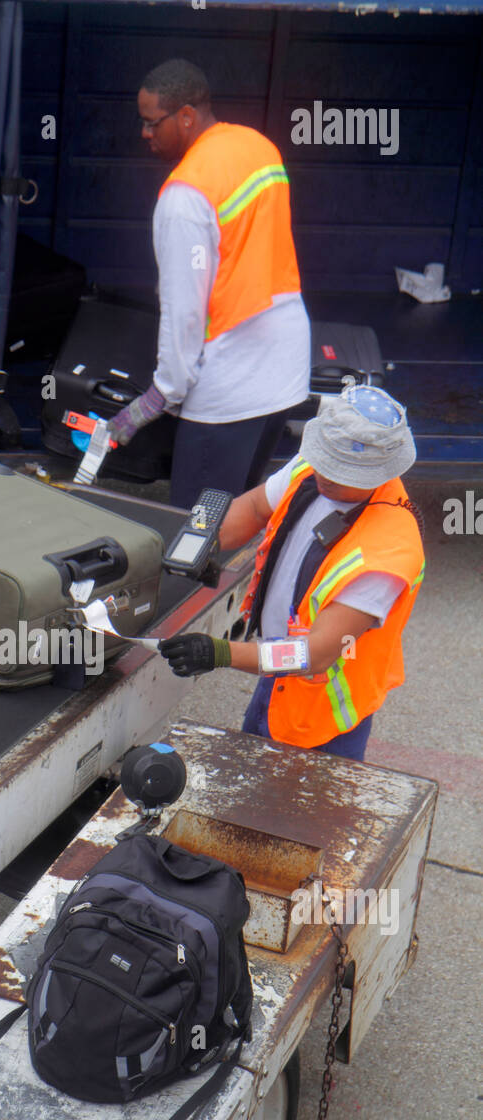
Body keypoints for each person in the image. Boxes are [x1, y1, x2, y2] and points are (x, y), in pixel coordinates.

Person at [158, 386, 425, 761]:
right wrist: (206, 546)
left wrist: (221, 652)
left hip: (322, 717)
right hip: (276, 675)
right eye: (322, 460)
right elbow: (253, 508)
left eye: (336, 470)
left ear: (376, 472)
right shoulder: (312, 470)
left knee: (293, 814)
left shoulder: (387, 552)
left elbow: (313, 654)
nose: (323, 474)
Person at [106, 58, 311, 507]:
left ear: (185, 116)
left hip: (230, 387)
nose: (145, 134)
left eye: (151, 123)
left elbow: (184, 311)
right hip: (284, 369)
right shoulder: (259, 148)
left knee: (192, 535)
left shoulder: (184, 196)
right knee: (236, 518)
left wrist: (160, 395)